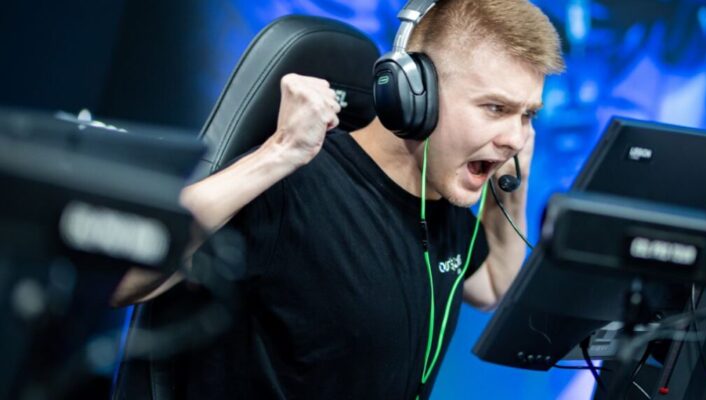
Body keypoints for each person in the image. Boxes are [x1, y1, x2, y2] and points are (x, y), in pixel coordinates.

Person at [112, 0, 563, 398]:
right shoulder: (293, 185)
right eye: (496, 108)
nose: (515, 136)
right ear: (416, 93)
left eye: (528, 114)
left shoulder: (443, 198)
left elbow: (493, 286)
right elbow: (121, 280)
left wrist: (514, 181)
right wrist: (279, 153)